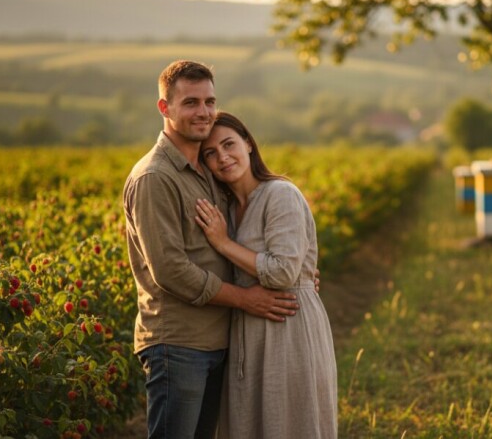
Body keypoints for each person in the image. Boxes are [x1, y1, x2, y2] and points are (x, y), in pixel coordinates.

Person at [123, 60, 301, 439]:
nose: (203, 112)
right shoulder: (155, 177)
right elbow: (170, 270)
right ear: (164, 108)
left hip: (217, 340)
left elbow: (238, 240)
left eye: (209, 101)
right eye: (190, 102)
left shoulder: (207, 170)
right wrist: (245, 299)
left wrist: (297, 273)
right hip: (178, 343)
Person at [195, 112, 338, 439]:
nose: (223, 157)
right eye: (211, 153)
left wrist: (223, 243)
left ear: (248, 143)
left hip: (288, 325)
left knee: (289, 423)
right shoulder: (228, 210)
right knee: (251, 424)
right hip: (247, 330)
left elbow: (283, 272)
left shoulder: (280, 194)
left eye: (229, 144)